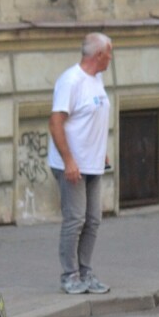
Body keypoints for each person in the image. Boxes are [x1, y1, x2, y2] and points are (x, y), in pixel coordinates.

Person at [47, 32, 113, 295]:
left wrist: (102, 151)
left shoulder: (97, 79)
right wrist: (69, 160)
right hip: (71, 165)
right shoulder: (71, 80)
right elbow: (56, 123)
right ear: (99, 55)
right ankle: (69, 275)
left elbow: (93, 118)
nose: (111, 57)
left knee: (93, 220)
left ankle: (86, 272)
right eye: (109, 52)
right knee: (75, 220)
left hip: (93, 163)